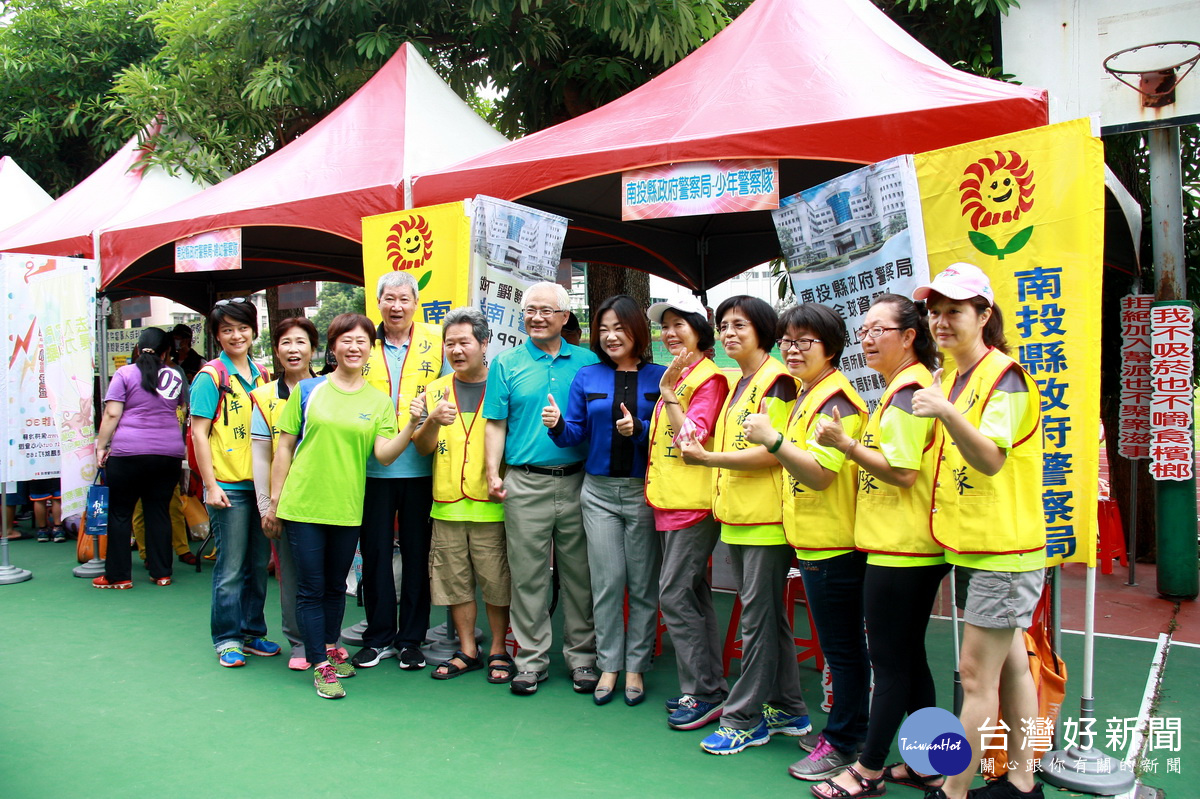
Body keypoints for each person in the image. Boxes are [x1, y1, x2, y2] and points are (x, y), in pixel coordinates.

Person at [911, 263, 1047, 799]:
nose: (941, 322)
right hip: (976, 545)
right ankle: (1021, 780)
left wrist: (945, 411)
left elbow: (990, 459)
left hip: (1004, 551)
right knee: (1010, 669)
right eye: (935, 312)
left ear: (984, 315)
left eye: (955, 312)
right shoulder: (954, 376)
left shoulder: (1004, 376)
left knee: (974, 677)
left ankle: (954, 790)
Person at [808, 294, 948, 798]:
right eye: (863, 330)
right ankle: (931, 763)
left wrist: (845, 445)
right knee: (909, 660)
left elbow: (905, 473)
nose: (867, 339)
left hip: (903, 549)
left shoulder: (910, 390)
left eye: (878, 330)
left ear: (909, 337)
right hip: (901, 546)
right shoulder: (903, 387)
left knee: (888, 663)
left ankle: (866, 770)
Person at [742, 303, 870, 782]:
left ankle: (843, 742)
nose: (792, 350)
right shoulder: (807, 393)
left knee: (843, 651)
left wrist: (773, 441)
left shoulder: (836, 400)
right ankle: (845, 734)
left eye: (804, 342)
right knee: (843, 650)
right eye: (787, 341)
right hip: (813, 542)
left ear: (831, 347)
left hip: (834, 545)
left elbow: (818, 476)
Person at [679, 295, 810, 755]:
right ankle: (789, 707)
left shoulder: (778, 381)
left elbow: (770, 450)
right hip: (737, 516)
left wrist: (707, 457)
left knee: (757, 622)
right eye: (723, 325)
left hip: (765, 520)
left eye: (740, 325)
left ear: (764, 330)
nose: (729, 333)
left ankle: (743, 718)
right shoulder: (742, 380)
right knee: (769, 619)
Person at [263, 313, 418, 699]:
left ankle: (329, 648)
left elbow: (383, 455)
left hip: (348, 507)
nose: (354, 347)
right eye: (345, 340)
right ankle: (319, 663)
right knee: (311, 587)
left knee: (335, 586)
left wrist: (412, 425)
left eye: (362, 341)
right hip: (303, 505)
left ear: (371, 349)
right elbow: (283, 446)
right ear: (332, 347)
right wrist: (275, 501)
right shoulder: (307, 391)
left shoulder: (379, 402)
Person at [545, 294, 665, 706]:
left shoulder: (661, 378)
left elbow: (672, 437)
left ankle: (636, 667)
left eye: (620, 328)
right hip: (596, 493)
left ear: (638, 332)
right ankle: (609, 664)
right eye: (604, 329)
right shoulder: (588, 377)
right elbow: (575, 434)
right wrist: (559, 425)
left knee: (644, 584)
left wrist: (641, 428)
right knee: (607, 581)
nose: (611, 336)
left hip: (643, 494)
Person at [483, 281, 601, 697]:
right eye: (530, 310)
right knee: (528, 577)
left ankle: (583, 657)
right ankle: (530, 660)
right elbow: (495, 422)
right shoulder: (506, 363)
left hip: (579, 482)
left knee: (580, 575)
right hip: (525, 482)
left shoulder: (587, 362)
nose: (536, 317)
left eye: (546, 311)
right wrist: (492, 472)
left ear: (565, 317)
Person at [411, 307, 514, 684]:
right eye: (449, 343)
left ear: (484, 343)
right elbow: (422, 447)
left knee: (496, 582)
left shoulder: (502, 385)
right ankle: (468, 649)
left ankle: (499, 648)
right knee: (454, 582)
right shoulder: (436, 389)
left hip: (492, 505)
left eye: (464, 342)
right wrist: (432, 421)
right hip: (447, 504)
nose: (456, 350)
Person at [351, 271, 446, 671]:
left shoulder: (436, 341)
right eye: (389, 299)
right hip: (371, 470)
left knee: (417, 555)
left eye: (404, 299)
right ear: (378, 303)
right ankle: (378, 638)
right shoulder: (361, 341)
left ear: (416, 302)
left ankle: (411, 639)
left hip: (421, 468)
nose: (396, 306)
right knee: (373, 556)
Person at [644, 296, 730, 728]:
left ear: (700, 330)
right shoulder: (681, 375)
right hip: (671, 500)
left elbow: (691, 438)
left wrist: (667, 395)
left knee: (674, 594)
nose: (671, 333)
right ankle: (710, 686)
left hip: (692, 505)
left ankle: (703, 692)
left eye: (680, 325)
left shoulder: (707, 379)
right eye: (666, 327)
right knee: (692, 594)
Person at [190, 296, 277, 667]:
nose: (236, 335)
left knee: (258, 563)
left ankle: (252, 632)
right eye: (227, 330)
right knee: (230, 565)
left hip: (259, 487)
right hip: (228, 487)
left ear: (254, 332)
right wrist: (210, 486)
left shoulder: (263, 374)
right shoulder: (211, 376)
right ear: (217, 336)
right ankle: (226, 638)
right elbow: (198, 434)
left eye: (243, 328)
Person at [93, 328, 188, 589]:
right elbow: (181, 409)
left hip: (128, 453)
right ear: (166, 352)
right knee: (158, 511)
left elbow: (112, 414)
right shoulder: (175, 376)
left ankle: (119, 575)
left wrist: (101, 446)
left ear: (137, 348)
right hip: (168, 454)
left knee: (121, 513)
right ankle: (162, 573)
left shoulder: (124, 374)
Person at [250, 317, 319, 670]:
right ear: (276, 351)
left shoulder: (330, 388)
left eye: (301, 342)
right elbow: (261, 455)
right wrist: (267, 506)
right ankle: (299, 642)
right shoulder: (263, 397)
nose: (293, 350)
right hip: (286, 501)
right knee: (290, 573)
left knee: (328, 573)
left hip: (328, 497)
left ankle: (328, 639)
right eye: (286, 343)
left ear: (313, 349)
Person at [29, 477, 65, 542]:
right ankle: (58, 530)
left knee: (39, 499)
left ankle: (42, 531)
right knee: (57, 498)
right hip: (56, 470)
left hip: (37, 471)